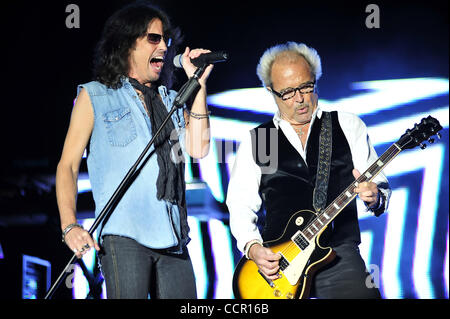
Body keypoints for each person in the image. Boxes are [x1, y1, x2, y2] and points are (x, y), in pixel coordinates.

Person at [56, 2, 213, 299]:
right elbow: (69, 166)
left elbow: (198, 148)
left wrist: (199, 84)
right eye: (154, 38)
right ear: (127, 43)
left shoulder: (171, 100)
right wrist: (69, 225)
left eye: (166, 39)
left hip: (174, 238)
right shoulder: (95, 95)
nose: (165, 46)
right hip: (124, 236)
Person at [226, 42, 391, 299]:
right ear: (271, 91)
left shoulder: (346, 125)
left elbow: (378, 186)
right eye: (288, 92)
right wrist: (253, 247)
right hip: (279, 264)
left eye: (306, 87)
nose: (300, 98)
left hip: (338, 255)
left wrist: (375, 196)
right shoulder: (263, 140)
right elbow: (240, 204)